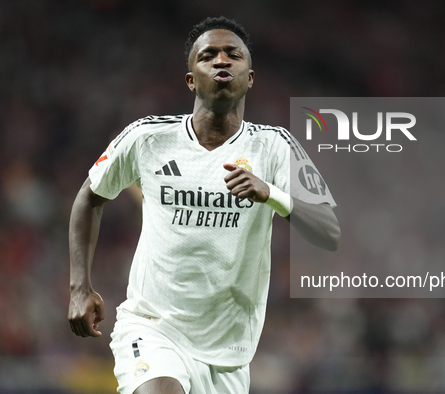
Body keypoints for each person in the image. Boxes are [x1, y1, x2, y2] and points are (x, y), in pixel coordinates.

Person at [68, 16, 340, 394]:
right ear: (191, 79)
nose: (222, 61)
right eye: (208, 55)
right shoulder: (148, 138)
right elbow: (90, 196)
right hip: (152, 326)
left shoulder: (275, 147)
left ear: (250, 77)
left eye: (233, 55)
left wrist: (272, 195)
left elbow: (330, 231)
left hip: (227, 350)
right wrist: (79, 287)